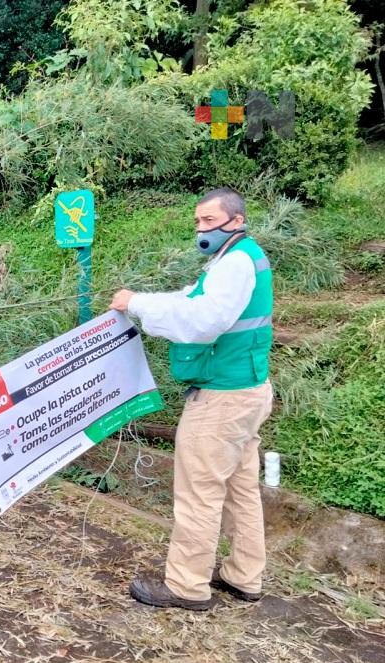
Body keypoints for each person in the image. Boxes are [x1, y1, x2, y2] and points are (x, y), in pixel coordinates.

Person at [109, 187, 274, 611]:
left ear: (235, 220)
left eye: (209, 221)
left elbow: (201, 322)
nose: (201, 230)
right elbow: (188, 298)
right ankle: (243, 576)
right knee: (241, 490)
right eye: (198, 222)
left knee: (199, 492)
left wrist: (136, 303)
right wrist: (139, 303)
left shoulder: (236, 264)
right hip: (246, 393)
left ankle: (186, 586)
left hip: (222, 399)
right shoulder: (235, 259)